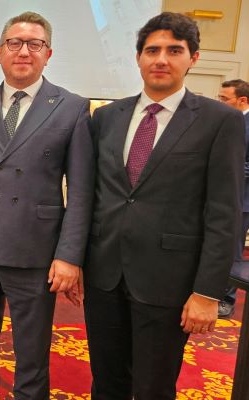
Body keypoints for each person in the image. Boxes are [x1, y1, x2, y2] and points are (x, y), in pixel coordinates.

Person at [84, 12, 245, 399]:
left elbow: (224, 213)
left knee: (154, 387)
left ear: (193, 58)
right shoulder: (106, 117)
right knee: (106, 382)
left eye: (174, 50)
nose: (161, 59)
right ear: (138, 57)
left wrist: (207, 292)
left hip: (169, 281)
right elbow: (93, 195)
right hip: (104, 275)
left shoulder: (219, 121)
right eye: (152, 50)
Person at [0, 11, 94, 399]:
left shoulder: (72, 107)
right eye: (14, 43)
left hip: (35, 252)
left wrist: (69, 256)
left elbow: (81, 191)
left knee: (31, 355)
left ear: (48, 53)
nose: (23, 51)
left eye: (34, 44)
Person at [216, 79, 249, 319]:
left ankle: (226, 300)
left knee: (232, 251)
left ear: (242, 100)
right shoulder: (225, 120)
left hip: (242, 200)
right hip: (220, 198)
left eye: (224, 99)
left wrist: (229, 169)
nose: (219, 102)